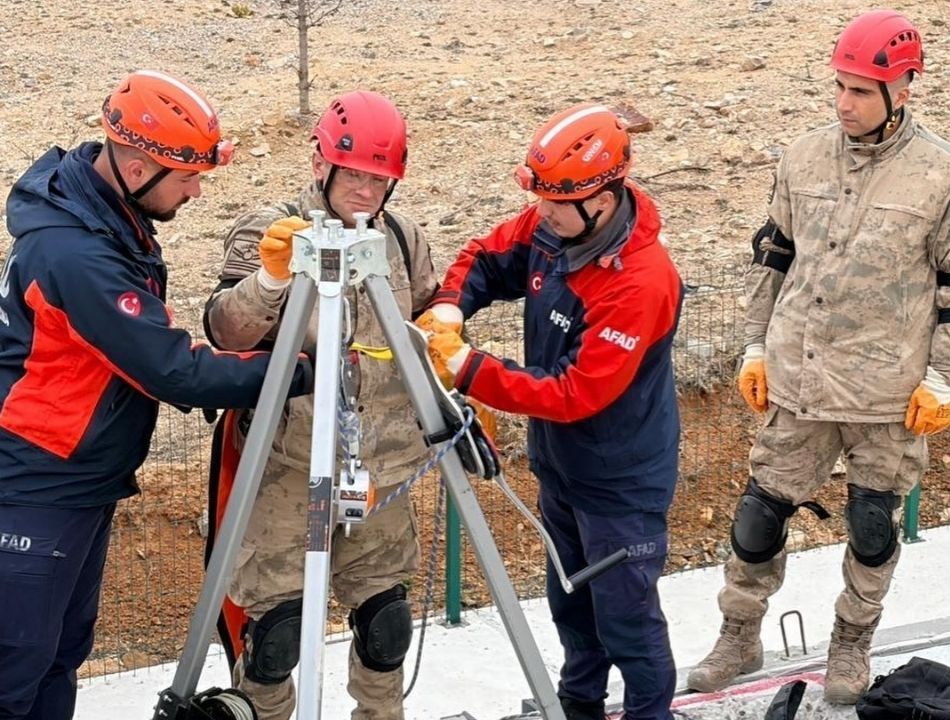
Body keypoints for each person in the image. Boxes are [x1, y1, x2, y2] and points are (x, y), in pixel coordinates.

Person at [684, 9, 950, 704]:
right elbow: (774, 259)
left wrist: (942, 377)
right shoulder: (803, 157)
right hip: (800, 376)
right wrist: (756, 346)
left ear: (902, 90)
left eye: (860, 91)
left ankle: (851, 641)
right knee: (759, 517)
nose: (843, 103)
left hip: (887, 393)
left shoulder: (943, 174)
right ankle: (738, 632)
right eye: (840, 87)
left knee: (873, 525)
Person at [0, 70, 312, 720]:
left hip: (79, 482)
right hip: (35, 491)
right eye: (187, 175)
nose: (197, 191)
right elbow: (173, 369)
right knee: (14, 671)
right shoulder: (75, 254)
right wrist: (292, 369)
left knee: (57, 657)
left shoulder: (108, 216)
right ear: (137, 164)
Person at [415, 102, 684, 720]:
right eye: (539, 198)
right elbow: (488, 256)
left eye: (556, 202)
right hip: (562, 468)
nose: (541, 213)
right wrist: (454, 305)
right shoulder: (559, 222)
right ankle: (578, 707)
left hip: (620, 482)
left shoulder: (640, 282)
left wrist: (468, 368)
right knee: (572, 604)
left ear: (605, 197)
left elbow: (574, 393)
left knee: (627, 620)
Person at [202, 90, 440, 720]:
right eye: (355, 174)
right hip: (288, 469)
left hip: (380, 473)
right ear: (322, 164)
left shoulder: (402, 237)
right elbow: (227, 332)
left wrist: (448, 351)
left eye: (380, 179)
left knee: (386, 623)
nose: (366, 191)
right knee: (274, 636)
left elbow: (424, 320)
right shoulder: (269, 231)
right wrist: (272, 279)